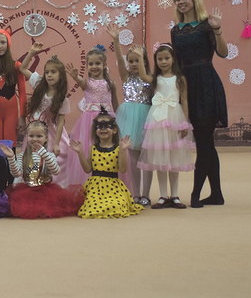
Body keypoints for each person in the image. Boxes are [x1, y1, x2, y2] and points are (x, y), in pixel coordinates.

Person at [170, 0, 228, 208]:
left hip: (206, 84)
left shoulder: (206, 25)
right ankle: (217, 195)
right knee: (207, 143)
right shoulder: (175, 30)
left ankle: (195, 194)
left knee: (204, 141)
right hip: (186, 87)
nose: (181, 2)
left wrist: (217, 29)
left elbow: (223, 52)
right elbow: (176, 62)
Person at [138, 44, 195, 209]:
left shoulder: (180, 78)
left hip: (175, 118)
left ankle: (175, 195)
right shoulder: (156, 78)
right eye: (160, 59)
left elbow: (184, 100)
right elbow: (143, 75)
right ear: (156, 61)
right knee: (161, 158)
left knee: (174, 158)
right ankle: (163, 195)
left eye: (167, 58)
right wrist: (140, 57)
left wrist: (184, 123)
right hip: (158, 119)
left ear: (173, 59)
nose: (163, 62)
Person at [106, 25, 153, 206]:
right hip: (128, 118)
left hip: (146, 118)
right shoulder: (126, 77)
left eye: (138, 60)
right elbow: (119, 59)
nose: (134, 64)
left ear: (145, 62)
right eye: (131, 61)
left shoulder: (150, 78)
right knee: (132, 158)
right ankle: (135, 193)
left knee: (146, 158)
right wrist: (116, 40)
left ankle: (146, 194)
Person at [69, 108, 143, 219]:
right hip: (95, 188)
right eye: (99, 127)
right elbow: (87, 169)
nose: (103, 129)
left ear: (114, 130)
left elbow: (123, 169)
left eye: (107, 126)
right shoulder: (93, 148)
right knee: (91, 206)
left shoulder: (118, 149)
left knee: (117, 205)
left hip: (113, 187)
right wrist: (80, 153)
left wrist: (123, 150)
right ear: (95, 130)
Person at [3, 121, 84, 219]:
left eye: (39, 136)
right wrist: (11, 158)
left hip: (46, 190)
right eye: (31, 136)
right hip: (27, 190)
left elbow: (56, 171)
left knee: (47, 208)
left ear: (46, 138)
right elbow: (16, 173)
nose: (35, 139)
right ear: (27, 137)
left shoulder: (49, 155)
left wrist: (43, 153)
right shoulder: (22, 155)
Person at [19, 44, 73, 188]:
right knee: (32, 158)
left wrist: (56, 143)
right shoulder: (39, 83)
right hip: (35, 130)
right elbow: (22, 68)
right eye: (47, 72)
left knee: (57, 157)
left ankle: (55, 186)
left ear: (61, 75)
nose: (49, 75)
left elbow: (60, 122)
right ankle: (32, 184)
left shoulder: (62, 99)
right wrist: (32, 53)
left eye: (53, 72)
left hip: (52, 132)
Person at [66, 47, 119, 187]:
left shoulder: (111, 84)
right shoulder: (87, 83)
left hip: (108, 119)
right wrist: (75, 77)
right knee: (90, 146)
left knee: (107, 145)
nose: (94, 66)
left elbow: (115, 104)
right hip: (90, 121)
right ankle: (89, 181)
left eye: (97, 63)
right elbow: (80, 82)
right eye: (91, 64)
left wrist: (118, 119)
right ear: (87, 66)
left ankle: (107, 177)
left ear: (104, 65)